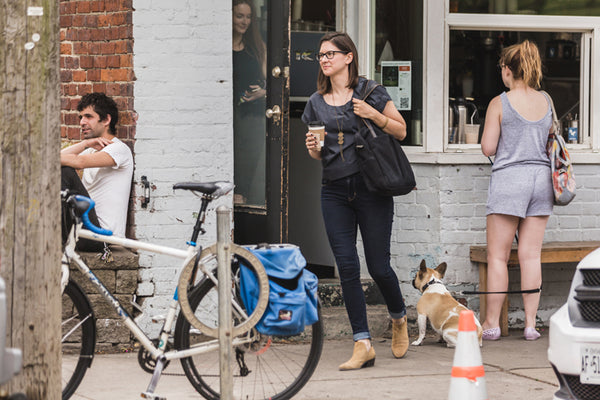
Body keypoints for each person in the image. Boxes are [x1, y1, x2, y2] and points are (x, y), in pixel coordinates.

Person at [301, 32, 409, 370]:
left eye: (331, 53)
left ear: (349, 57)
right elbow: (319, 153)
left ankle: (399, 317)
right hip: (334, 189)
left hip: (372, 188)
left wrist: (373, 115)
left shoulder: (371, 92)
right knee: (347, 266)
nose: (324, 59)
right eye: (321, 55)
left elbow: (401, 131)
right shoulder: (315, 102)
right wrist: (314, 150)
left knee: (378, 267)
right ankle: (362, 342)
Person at [480, 40, 553, 341]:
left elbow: (488, 147)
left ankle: (492, 325)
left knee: (498, 256)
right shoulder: (546, 100)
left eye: (501, 69)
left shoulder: (500, 102)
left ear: (508, 70)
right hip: (541, 180)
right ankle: (531, 325)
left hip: (510, 179)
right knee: (530, 256)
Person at [61, 93, 134, 250]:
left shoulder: (119, 149)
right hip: (86, 228)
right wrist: (86, 144)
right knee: (60, 167)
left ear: (106, 120)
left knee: (65, 171)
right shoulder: (92, 151)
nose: (82, 122)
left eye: (88, 116)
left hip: (103, 235)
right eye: (81, 117)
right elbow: (57, 158)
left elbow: (77, 162)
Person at [232, 0, 266, 206]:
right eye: (239, 16)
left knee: (248, 159)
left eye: (248, 16)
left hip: (252, 116)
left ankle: (242, 196)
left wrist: (261, 93)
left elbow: (274, 81)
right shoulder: (221, 48)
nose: (245, 21)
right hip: (229, 114)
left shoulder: (257, 47)